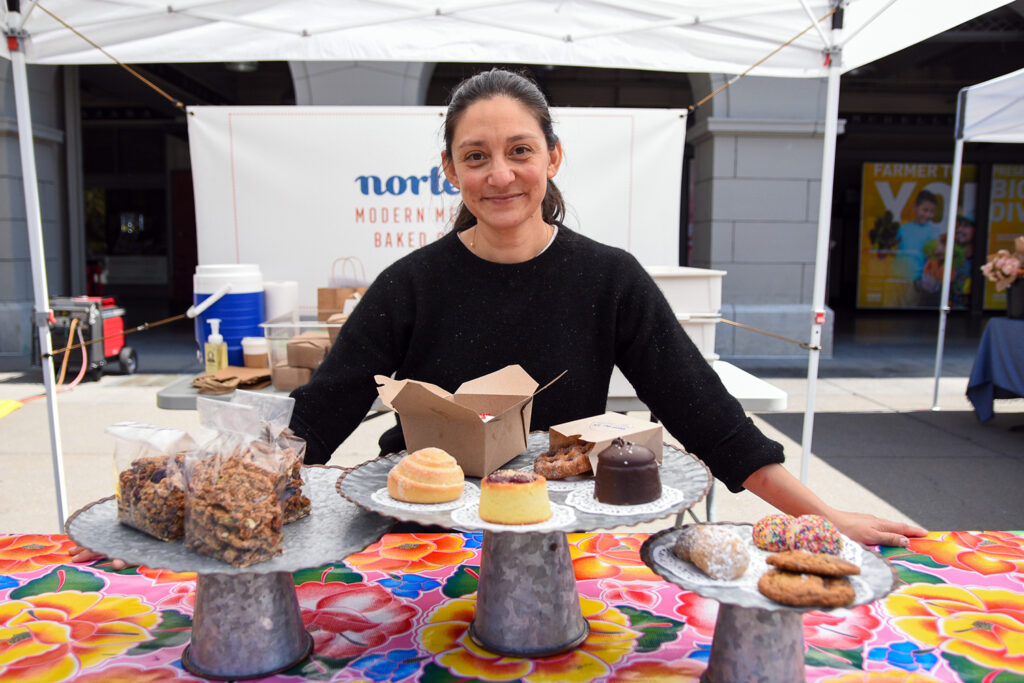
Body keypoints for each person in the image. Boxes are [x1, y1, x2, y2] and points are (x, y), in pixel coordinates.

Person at [285, 68, 925, 548]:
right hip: (425, 536)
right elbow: (320, 416)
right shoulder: (409, 285)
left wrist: (822, 515)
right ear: (451, 170)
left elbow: (705, 414)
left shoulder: (607, 277)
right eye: (476, 156)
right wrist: (241, 488)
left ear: (553, 157)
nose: (500, 174)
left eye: (520, 150)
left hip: (564, 530)